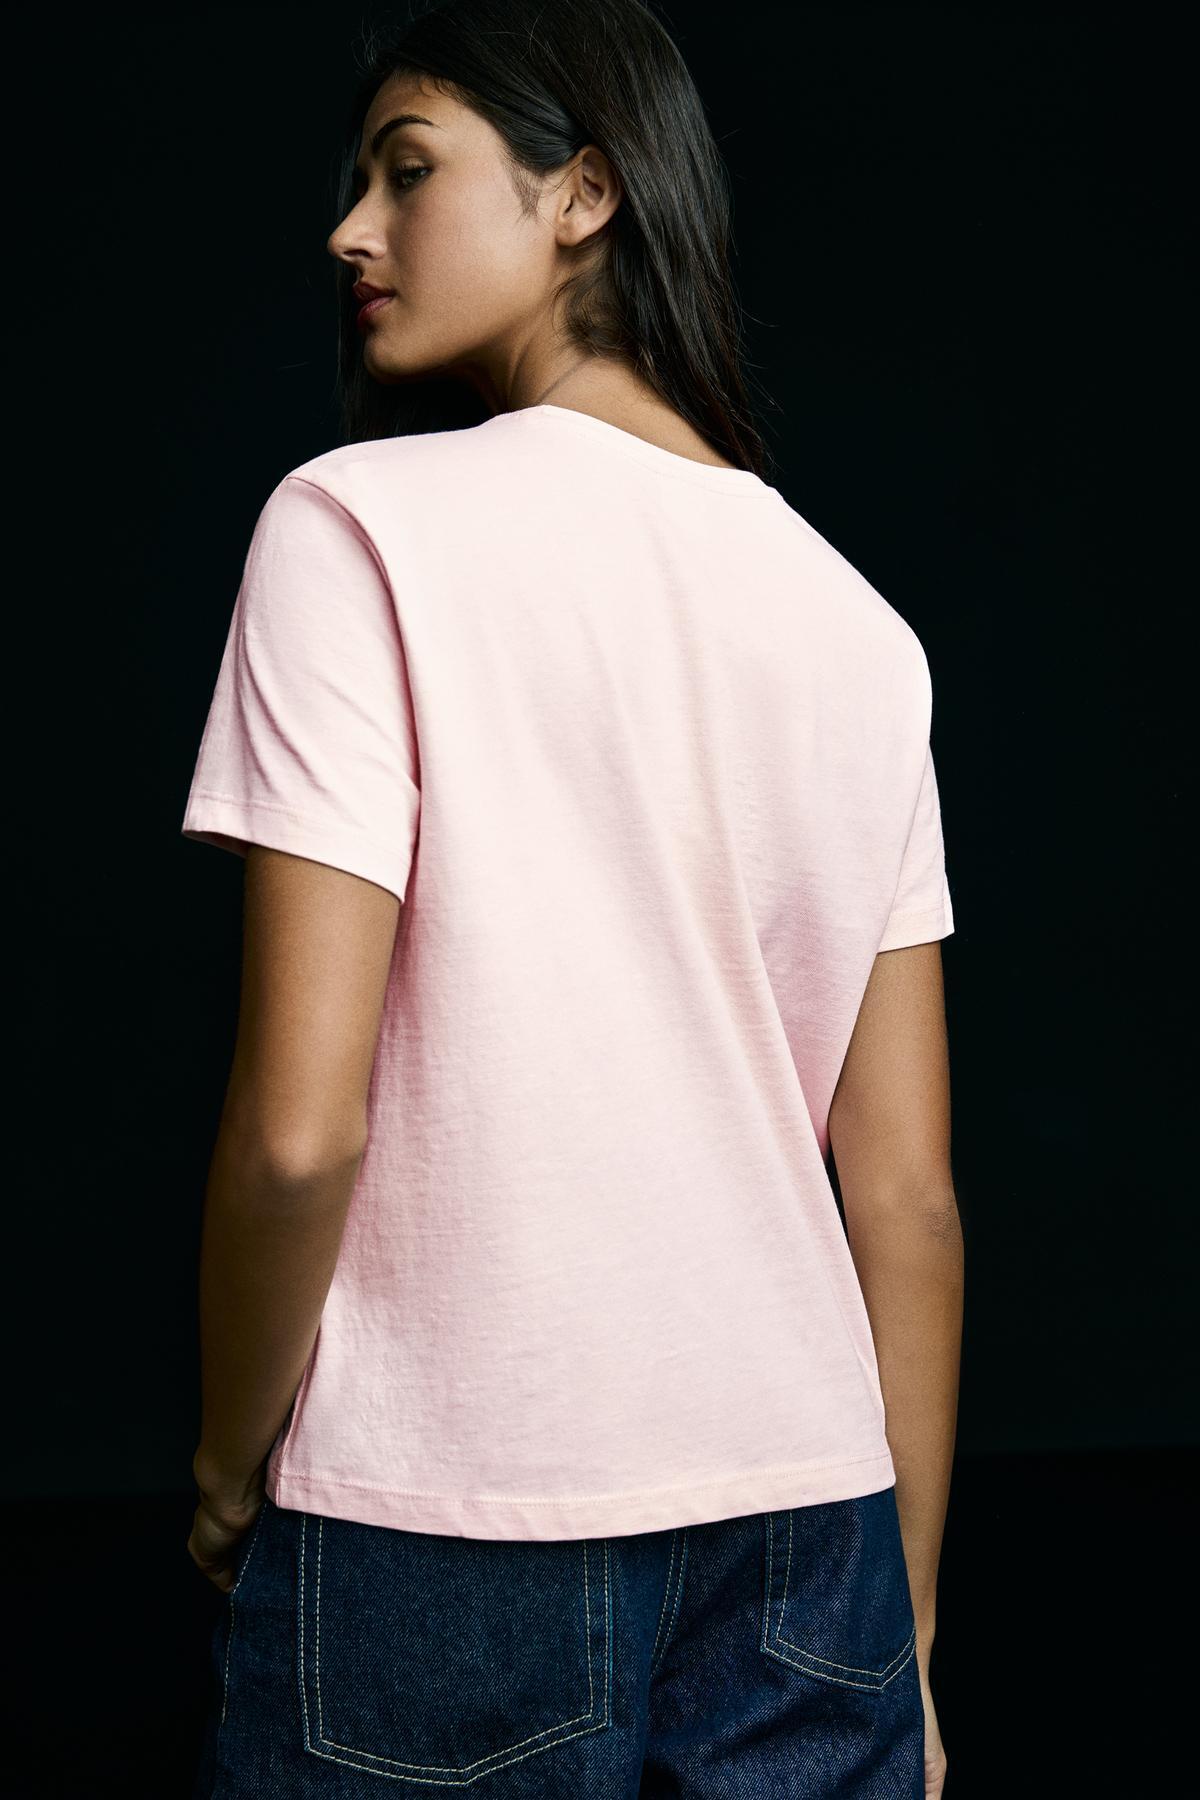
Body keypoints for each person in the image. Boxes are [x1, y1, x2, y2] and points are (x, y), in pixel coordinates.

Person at [181, 3, 962, 1796]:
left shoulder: (356, 525)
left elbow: (298, 1136)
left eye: (408, 170)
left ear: (584, 193)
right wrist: (906, 1639)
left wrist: (228, 1464)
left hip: (450, 1513)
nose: (351, 232)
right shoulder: (860, 629)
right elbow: (906, 1194)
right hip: (815, 1536)